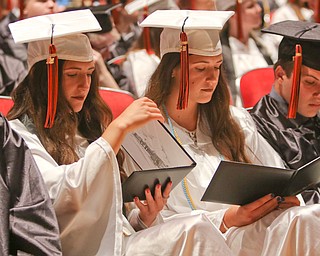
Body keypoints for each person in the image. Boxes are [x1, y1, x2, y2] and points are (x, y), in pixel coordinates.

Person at [7, 10, 234, 256]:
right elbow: (59, 196)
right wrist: (117, 130)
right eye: (72, 74)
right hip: (70, 249)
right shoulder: (19, 136)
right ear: (44, 79)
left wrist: (143, 217)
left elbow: (115, 220)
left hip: (118, 246)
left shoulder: (87, 128)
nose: (84, 85)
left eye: (89, 74)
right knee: (196, 229)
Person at [137, 9, 320, 255]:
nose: (212, 78)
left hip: (242, 230)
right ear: (173, 69)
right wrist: (226, 218)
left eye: (217, 67)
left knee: (304, 217)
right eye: (201, 68)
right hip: (193, 240)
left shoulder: (234, 120)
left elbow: (276, 173)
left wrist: (281, 199)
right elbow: (151, 225)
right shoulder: (145, 134)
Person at [250, 20, 320, 204]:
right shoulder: (255, 128)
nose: (319, 94)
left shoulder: (316, 118)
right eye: (310, 82)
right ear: (280, 74)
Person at [0, 113, 62, 255]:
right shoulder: (19, 131)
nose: (84, 88)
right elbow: (60, 190)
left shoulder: (93, 128)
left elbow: (32, 223)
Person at [216, 0, 274, 106]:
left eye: (257, 4)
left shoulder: (262, 45)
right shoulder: (220, 52)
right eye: (250, 6)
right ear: (232, 14)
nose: (259, 9)